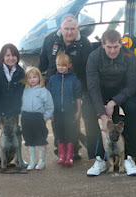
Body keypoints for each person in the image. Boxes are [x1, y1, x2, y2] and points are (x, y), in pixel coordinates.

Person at [84, 29, 136, 176]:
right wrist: (102, 115)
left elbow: (132, 85)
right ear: (102, 45)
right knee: (87, 109)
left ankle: (129, 157)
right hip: (100, 91)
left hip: (122, 91)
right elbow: (93, 87)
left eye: (116, 47)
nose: (113, 51)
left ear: (121, 44)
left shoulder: (129, 55)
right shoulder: (94, 57)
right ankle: (100, 158)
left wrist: (114, 102)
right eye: (109, 47)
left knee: (133, 108)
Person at [39, 14, 93, 160]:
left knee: (73, 119)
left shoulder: (85, 44)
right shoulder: (50, 40)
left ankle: (73, 149)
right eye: (67, 29)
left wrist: (84, 93)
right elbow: (42, 65)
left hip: (75, 88)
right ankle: (60, 147)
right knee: (56, 120)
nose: (69, 32)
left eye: (73, 29)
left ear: (77, 29)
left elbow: (89, 70)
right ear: (60, 28)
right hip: (54, 88)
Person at [0, 43, 27, 172]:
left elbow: (18, 96)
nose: (11, 58)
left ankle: (19, 160)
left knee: (16, 130)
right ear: (2, 56)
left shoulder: (20, 72)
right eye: (7, 55)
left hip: (10, 106)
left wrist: (15, 114)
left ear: (17, 57)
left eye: (13, 55)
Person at [48, 53, 82, 166]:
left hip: (70, 112)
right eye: (58, 65)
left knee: (70, 134)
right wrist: (50, 111)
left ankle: (69, 156)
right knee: (59, 134)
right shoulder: (53, 79)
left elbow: (78, 96)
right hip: (56, 112)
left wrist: (78, 111)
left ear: (69, 65)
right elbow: (48, 96)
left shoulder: (74, 79)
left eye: (63, 65)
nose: (61, 67)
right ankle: (61, 155)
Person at [21, 67, 54, 170]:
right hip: (26, 118)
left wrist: (44, 118)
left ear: (39, 78)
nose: (32, 79)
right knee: (29, 140)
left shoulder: (44, 91)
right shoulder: (24, 91)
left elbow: (50, 107)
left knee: (40, 140)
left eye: (34, 77)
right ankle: (32, 161)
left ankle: (42, 161)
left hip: (38, 118)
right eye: (29, 77)